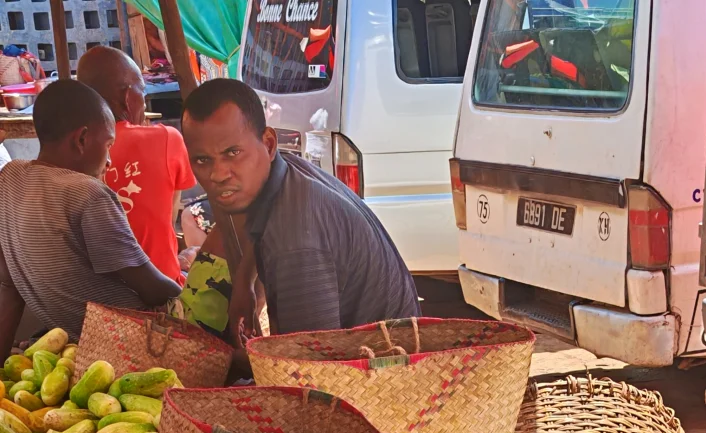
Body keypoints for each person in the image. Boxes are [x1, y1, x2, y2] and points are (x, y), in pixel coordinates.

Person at [181, 79, 418, 337]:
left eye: (233, 153)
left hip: (384, 357)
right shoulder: (284, 175)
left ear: (269, 144)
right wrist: (244, 281)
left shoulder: (294, 241)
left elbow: (309, 355)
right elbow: (259, 223)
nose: (218, 174)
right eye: (202, 160)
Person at [0, 80, 180, 357]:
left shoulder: (10, 178)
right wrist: (182, 291)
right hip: (127, 342)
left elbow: (7, 284)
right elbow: (152, 289)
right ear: (82, 139)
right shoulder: (87, 194)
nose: (109, 161)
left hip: (65, 337)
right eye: (108, 144)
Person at [77, 45, 195, 284]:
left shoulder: (75, 148)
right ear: (128, 97)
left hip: (97, 290)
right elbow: (167, 219)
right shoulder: (167, 139)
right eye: (143, 91)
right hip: (161, 287)